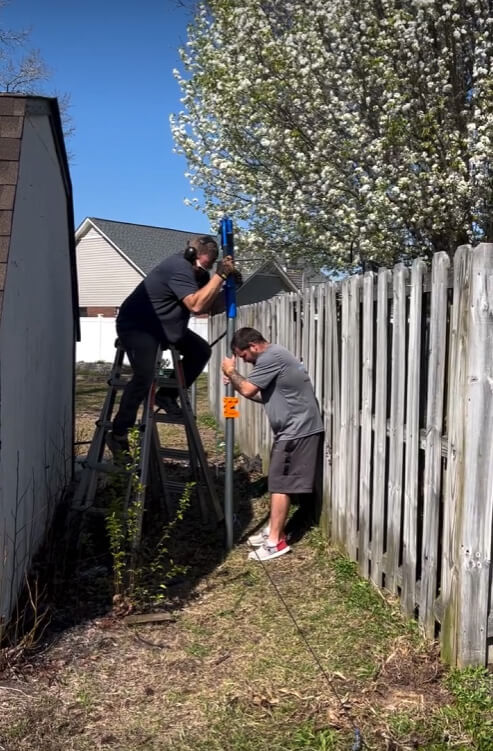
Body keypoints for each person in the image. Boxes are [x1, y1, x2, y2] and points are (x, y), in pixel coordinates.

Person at [107, 235, 234, 457]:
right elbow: (195, 305)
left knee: (201, 351)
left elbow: (210, 305)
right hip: (139, 326)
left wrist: (231, 285)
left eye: (213, 264)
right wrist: (220, 275)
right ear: (193, 254)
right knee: (144, 376)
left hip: (165, 327)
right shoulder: (178, 267)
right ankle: (119, 432)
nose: (209, 268)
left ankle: (168, 394)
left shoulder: (199, 274)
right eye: (207, 263)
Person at [221, 327, 324, 562]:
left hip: (297, 430)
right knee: (278, 482)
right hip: (293, 429)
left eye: (244, 355)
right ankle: (272, 530)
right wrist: (236, 379)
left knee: (280, 484)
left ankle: (275, 543)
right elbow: (261, 395)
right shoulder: (273, 356)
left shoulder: (270, 357)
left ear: (254, 346)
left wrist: (232, 372)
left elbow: (247, 389)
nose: (245, 362)